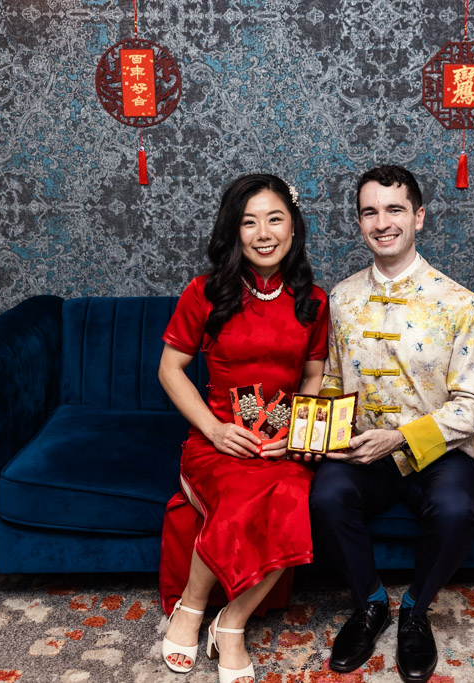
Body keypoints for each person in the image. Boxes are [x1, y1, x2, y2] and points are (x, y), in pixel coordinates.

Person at [306, 165, 474, 683]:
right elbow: (330, 383)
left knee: (457, 508)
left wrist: (404, 437)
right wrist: (325, 435)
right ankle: (370, 604)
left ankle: (414, 607)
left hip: (439, 451)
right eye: (370, 211)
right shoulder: (340, 299)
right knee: (323, 496)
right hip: (366, 450)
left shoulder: (460, 303)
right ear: (359, 222)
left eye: (394, 210)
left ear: (419, 218)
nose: (382, 222)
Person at [157, 174, 329, 683]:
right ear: (234, 232)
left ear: (293, 227)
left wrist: (293, 435)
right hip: (217, 441)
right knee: (237, 496)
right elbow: (170, 369)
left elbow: (315, 377)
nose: (263, 232)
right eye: (249, 221)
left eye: (275, 218)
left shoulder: (313, 299)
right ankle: (191, 607)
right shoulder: (205, 292)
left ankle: (230, 623)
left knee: (292, 499)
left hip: (280, 441)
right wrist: (213, 430)